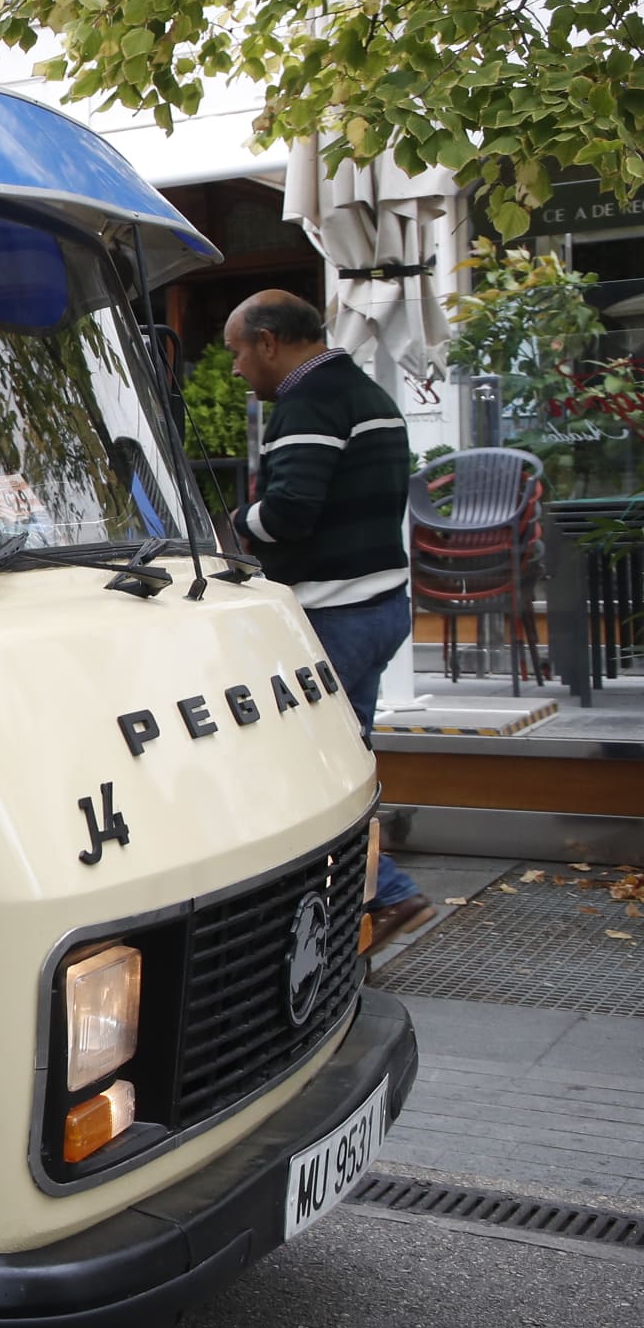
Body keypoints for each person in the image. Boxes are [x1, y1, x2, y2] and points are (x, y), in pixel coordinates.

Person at [223, 290, 432, 946]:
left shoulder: (308, 404)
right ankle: (344, 907)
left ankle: (387, 892)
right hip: (383, 608)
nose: (235, 370)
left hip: (333, 617)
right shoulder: (367, 395)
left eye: (236, 353)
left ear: (267, 341)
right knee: (346, 767)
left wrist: (233, 523)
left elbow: (289, 513)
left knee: (306, 773)